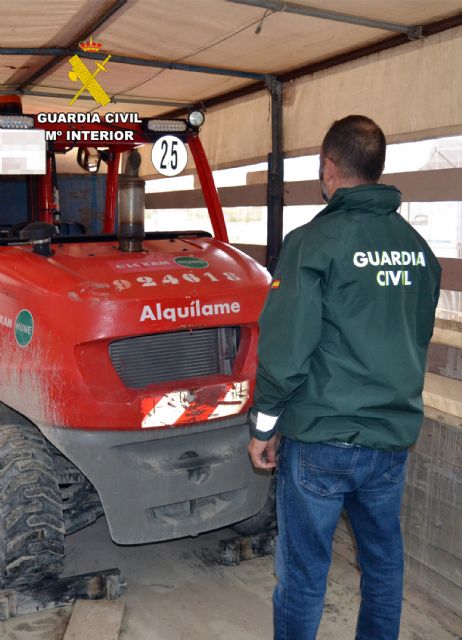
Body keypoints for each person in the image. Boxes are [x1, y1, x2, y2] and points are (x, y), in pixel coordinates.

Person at [248, 115, 441, 640]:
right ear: (378, 170)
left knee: (304, 575)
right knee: (383, 566)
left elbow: (286, 350)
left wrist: (263, 426)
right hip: (389, 440)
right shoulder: (419, 251)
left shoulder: (313, 242)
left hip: (321, 440)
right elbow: (415, 338)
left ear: (328, 169)